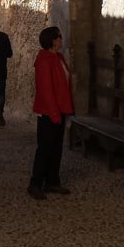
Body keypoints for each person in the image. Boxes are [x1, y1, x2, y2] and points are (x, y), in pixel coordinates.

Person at [28, 25, 74, 200]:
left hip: (59, 110)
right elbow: (46, 90)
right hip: (48, 112)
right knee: (45, 148)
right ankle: (35, 183)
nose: (61, 39)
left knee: (56, 147)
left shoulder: (58, 58)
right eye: (59, 37)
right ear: (53, 40)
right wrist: (54, 113)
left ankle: (52, 180)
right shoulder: (44, 61)